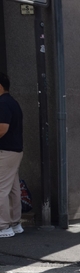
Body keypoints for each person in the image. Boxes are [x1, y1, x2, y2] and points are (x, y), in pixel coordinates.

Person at [0, 72, 24, 238]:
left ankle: (3, 226)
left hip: (5, 151)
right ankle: (15, 223)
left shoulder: (2, 103)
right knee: (13, 188)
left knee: (1, 188)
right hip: (15, 151)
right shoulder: (13, 102)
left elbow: (2, 127)